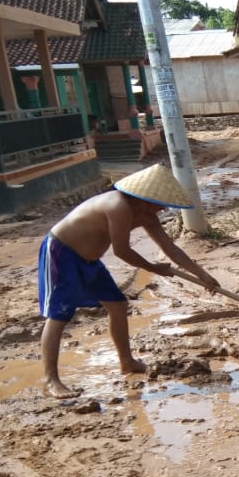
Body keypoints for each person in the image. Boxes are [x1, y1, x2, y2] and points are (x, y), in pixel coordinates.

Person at [38, 164, 220, 398]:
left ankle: (127, 362)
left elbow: (170, 248)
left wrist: (201, 274)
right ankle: (50, 379)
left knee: (118, 305)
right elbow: (121, 251)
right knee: (59, 314)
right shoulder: (118, 206)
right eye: (160, 202)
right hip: (62, 253)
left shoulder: (148, 216)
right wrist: (153, 268)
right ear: (145, 197)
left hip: (90, 261)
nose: (163, 208)